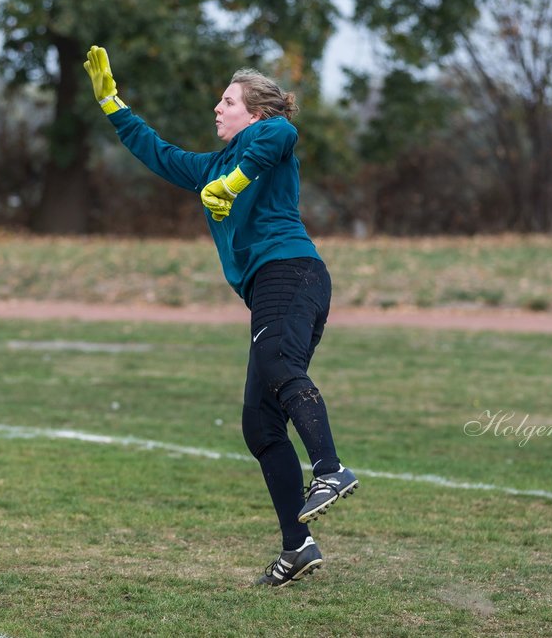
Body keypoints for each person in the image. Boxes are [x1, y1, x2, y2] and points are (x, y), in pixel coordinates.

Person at [83, 44, 359, 587]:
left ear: (254, 112)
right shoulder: (212, 164)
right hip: (270, 289)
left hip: (292, 272)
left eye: (228, 101)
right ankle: (297, 545)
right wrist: (114, 105)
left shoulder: (269, 139)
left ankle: (330, 469)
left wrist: (232, 187)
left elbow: (284, 133)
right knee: (259, 423)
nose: (217, 107)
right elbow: (157, 153)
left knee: (280, 365)